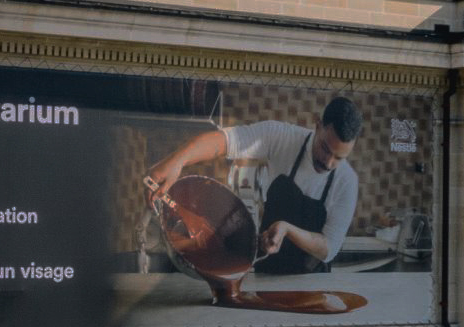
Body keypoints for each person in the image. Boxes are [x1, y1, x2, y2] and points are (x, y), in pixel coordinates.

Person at [144, 97, 362, 274]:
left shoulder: (347, 182)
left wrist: (287, 230)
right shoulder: (283, 138)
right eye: (325, 148)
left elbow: (328, 249)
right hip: (268, 273)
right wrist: (177, 161)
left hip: (313, 286)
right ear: (318, 126)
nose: (328, 162)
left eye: (339, 158)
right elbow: (226, 142)